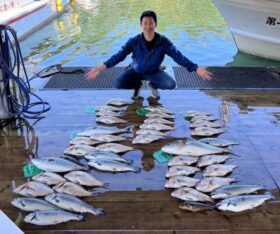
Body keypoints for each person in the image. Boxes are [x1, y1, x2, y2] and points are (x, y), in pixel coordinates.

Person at [86, 10, 213, 100]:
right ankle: (138, 85)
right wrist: (99, 68)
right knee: (118, 83)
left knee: (171, 85)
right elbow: (118, 56)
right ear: (141, 25)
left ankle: (152, 84)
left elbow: (178, 56)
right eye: (145, 23)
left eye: (151, 23)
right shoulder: (134, 41)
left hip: (154, 71)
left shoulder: (163, 42)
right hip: (135, 71)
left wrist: (196, 68)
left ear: (155, 24)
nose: (148, 26)